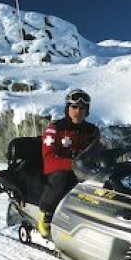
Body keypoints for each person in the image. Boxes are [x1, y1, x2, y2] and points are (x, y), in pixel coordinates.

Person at [38, 89, 100, 238]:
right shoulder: (56, 128)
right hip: (57, 171)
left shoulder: (92, 130)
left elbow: (98, 152)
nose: (78, 111)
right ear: (67, 108)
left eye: (82, 108)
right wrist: (72, 164)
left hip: (83, 171)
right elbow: (49, 158)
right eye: (74, 107)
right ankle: (45, 213)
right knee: (63, 177)